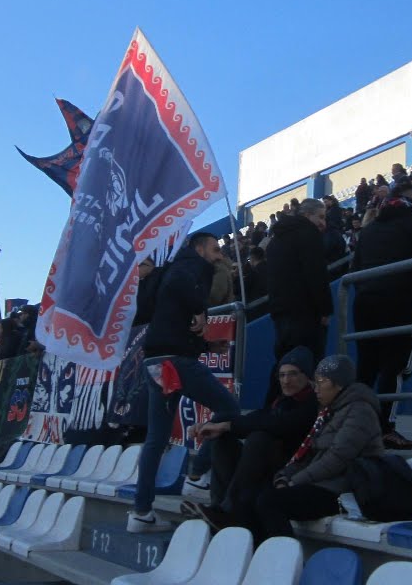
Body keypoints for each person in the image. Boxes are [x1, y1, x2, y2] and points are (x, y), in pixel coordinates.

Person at [128, 233, 241, 533]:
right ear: (199, 247)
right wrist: (199, 309)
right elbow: (185, 293)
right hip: (174, 362)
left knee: (156, 438)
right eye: (216, 249)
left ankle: (141, 512)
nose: (219, 256)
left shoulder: (176, 270)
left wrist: (205, 347)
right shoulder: (187, 266)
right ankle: (197, 474)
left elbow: (170, 320)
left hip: (157, 361)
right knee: (230, 408)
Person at [245, 355, 384, 544]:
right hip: (322, 484)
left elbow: (337, 459)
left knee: (270, 502)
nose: (316, 389)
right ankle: (260, 557)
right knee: (252, 496)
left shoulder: (360, 411)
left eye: (322, 382)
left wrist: (295, 481)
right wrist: (285, 475)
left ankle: (285, 563)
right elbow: (308, 453)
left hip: (343, 492)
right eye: (315, 382)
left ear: (339, 384)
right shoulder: (330, 411)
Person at [350, 183, 412, 450]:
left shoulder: (369, 231)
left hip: (366, 304)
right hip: (400, 303)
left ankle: (357, 428)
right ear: (405, 200)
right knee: (396, 367)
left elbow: (354, 271)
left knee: (367, 368)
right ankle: (385, 429)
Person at [184, 347, 319, 532]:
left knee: (258, 438)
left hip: (293, 469)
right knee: (224, 441)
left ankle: (228, 511)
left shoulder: (313, 402)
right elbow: (257, 417)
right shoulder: (281, 401)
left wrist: (226, 425)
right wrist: (217, 426)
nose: (286, 381)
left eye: (293, 374)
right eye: (282, 375)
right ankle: (218, 508)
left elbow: (281, 424)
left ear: (307, 376)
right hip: (268, 466)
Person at [263, 199, 333, 404]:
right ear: (307, 215)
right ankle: (304, 420)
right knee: (306, 369)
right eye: (320, 217)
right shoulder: (308, 234)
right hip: (304, 313)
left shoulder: (276, 241)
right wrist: (325, 309)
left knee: (282, 367)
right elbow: (316, 275)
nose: (323, 224)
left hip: (281, 313)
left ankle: (272, 416)